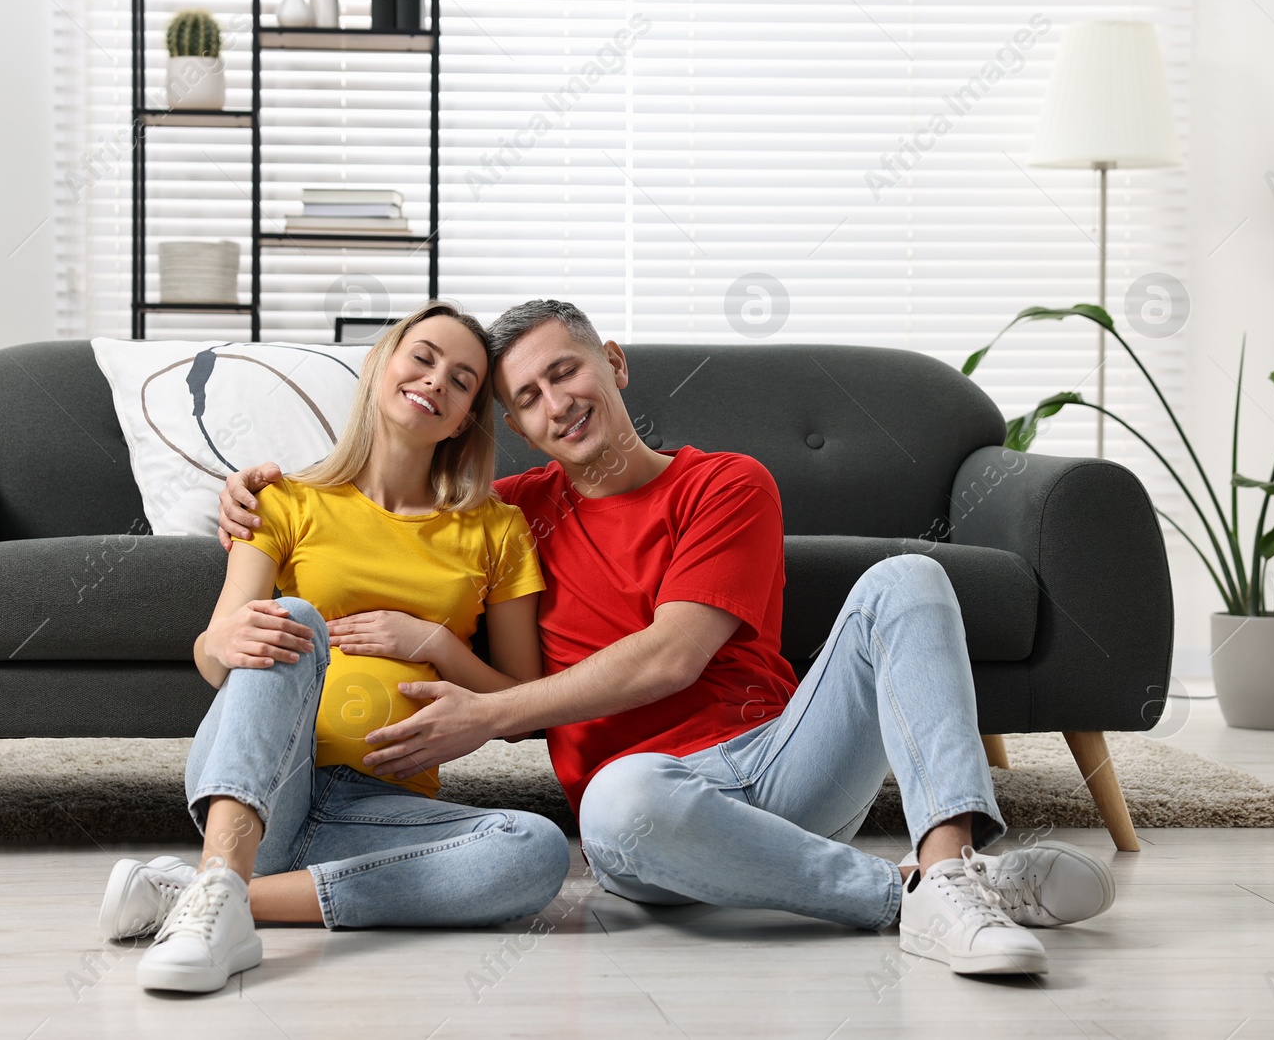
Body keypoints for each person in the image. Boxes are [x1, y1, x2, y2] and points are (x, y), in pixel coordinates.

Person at [219, 299, 1116, 978]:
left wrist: (489, 715)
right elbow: (389, 518)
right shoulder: (506, 521)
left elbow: (674, 653)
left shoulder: (725, 483)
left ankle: (950, 867)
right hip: (645, 817)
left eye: (565, 372)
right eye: (526, 399)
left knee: (909, 578)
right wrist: (255, 491)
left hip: (780, 763)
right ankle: (921, 898)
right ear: (514, 429)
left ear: (612, 363)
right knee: (615, 798)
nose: (555, 404)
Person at [100, 302, 571, 995]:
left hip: (380, 807)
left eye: (463, 378)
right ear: (382, 364)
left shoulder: (495, 530)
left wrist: (436, 642)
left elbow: (523, 709)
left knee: (536, 851)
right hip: (269, 781)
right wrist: (221, 637)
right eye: (424, 356)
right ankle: (223, 881)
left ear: (469, 414)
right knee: (287, 615)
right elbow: (214, 651)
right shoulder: (285, 499)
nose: (437, 379)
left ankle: (213, 891)